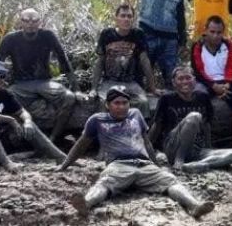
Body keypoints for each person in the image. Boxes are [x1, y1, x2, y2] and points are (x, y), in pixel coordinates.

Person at [58, 86, 214, 219]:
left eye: (124, 102)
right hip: (118, 165)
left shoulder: (135, 114)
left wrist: (156, 164)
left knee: (170, 181)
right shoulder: (97, 120)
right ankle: (86, 203)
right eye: (116, 103)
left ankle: (194, 206)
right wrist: (64, 165)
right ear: (107, 105)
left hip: (145, 165)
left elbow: (146, 142)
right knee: (105, 182)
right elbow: (81, 145)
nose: (121, 106)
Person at [0, 60, 66, 172]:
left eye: (1, 75)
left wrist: (27, 121)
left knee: (27, 122)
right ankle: (7, 164)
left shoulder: (5, 94)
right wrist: (9, 119)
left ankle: (60, 157)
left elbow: (23, 112)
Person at [0, 8, 78, 141]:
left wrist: (77, 89)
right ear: (20, 22)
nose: (30, 24)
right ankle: (18, 137)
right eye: (26, 20)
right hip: (21, 84)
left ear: (40, 22)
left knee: (69, 97)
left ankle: (54, 137)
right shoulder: (10, 39)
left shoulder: (48, 36)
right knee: (4, 100)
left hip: (44, 82)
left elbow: (63, 59)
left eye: (34, 20)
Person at [149, 66, 232, 173]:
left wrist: (208, 147)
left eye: (188, 78)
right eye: (180, 79)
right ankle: (179, 160)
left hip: (196, 149)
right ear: (174, 83)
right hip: (173, 147)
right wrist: (148, 148)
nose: (185, 82)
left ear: (194, 80)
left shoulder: (203, 97)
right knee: (194, 117)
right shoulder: (166, 99)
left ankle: (198, 164)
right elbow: (157, 125)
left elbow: (206, 124)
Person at [191, 16, 232, 155]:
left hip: (225, 81)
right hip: (205, 81)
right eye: (212, 32)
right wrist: (213, 86)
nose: (216, 35)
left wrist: (227, 85)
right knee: (200, 96)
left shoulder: (228, 45)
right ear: (205, 30)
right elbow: (198, 71)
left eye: (219, 32)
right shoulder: (198, 46)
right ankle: (203, 139)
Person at [89, 2, 156, 118]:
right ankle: (104, 132)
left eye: (129, 16)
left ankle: (142, 132)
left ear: (133, 19)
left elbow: (144, 61)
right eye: (123, 16)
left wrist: (152, 87)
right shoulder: (107, 34)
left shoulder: (138, 34)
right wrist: (93, 89)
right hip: (109, 81)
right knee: (103, 102)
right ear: (116, 18)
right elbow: (100, 62)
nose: (126, 19)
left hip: (131, 82)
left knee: (143, 102)